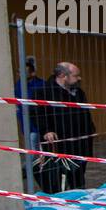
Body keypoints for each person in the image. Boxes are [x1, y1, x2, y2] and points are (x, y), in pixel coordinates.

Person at [32, 62, 96, 192]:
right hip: (58, 142)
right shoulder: (44, 92)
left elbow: (85, 113)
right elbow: (37, 114)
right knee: (57, 176)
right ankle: (58, 199)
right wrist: (46, 130)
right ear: (62, 75)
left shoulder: (78, 92)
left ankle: (78, 194)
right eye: (76, 75)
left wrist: (90, 130)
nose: (79, 78)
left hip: (80, 142)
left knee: (78, 175)